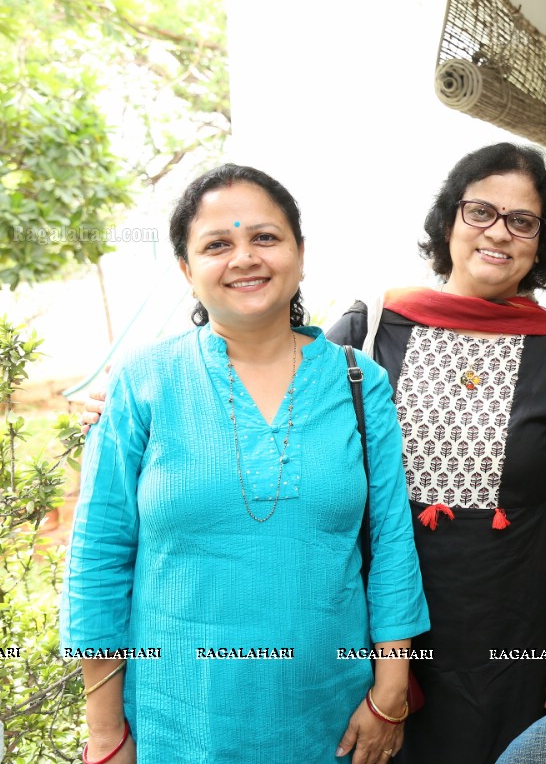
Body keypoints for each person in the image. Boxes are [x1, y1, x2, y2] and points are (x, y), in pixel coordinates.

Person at [61, 164, 430, 764]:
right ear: (186, 269)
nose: (244, 258)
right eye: (217, 244)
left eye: (264, 237)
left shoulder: (360, 384)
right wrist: (106, 734)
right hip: (175, 722)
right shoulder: (144, 383)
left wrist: (390, 694)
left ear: (300, 254)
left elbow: (392, 542)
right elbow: (99, 556)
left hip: (331, 717)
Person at [325, 143, 546, 764]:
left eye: (522, 221)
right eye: (480, 211)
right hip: (372, 623)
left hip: (506, 636)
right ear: (449, 220)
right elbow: (277, 415)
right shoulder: (370, 329)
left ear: (542, 241)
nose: (498, 232)